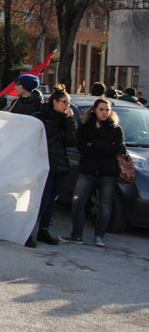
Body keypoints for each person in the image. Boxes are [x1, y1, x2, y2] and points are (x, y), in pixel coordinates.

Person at [61, 98, 124, 247]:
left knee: (105, 205)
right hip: (88, 170)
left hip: (108, 172)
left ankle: (99, 236)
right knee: (78, 201)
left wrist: (95, 144)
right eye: (101, 109)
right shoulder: (85, 127)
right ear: (94, 110)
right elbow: (82, 148)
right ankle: (76, 235)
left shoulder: (115, 129)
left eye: (107, 110)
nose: (105, 113)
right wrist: (104, 148)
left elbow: (117, 148)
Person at [30, 85, 76, 246]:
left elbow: (71, 141)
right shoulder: (41, 117)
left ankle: (44, 230)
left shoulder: (66, 120)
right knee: (42, 200)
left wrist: (69, 120)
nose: (67, 106)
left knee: (52, 201)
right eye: (64, 102)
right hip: (44, 164)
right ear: (55, 102)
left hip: (60, 165)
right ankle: (28, 231)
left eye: (68, 103)